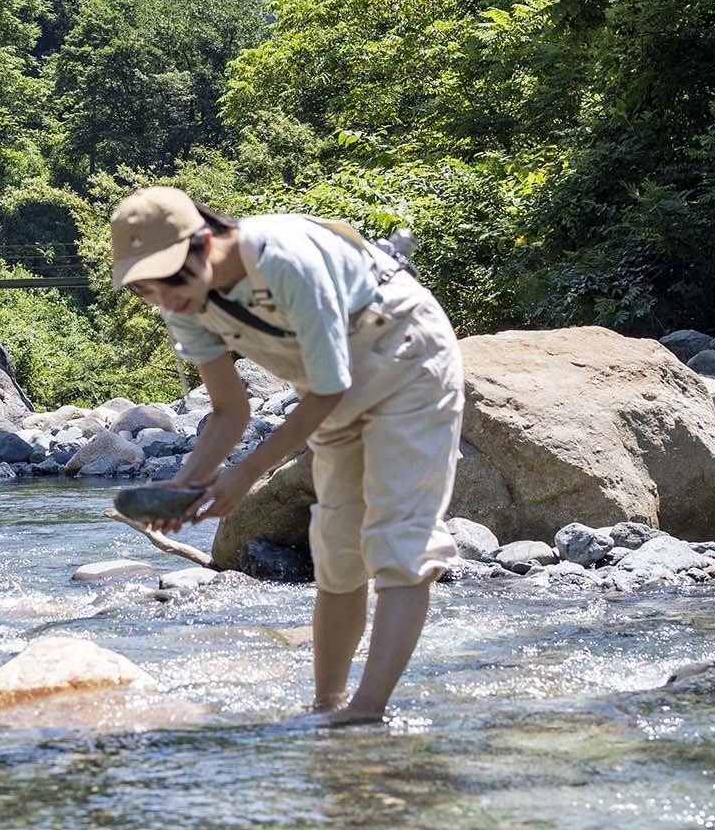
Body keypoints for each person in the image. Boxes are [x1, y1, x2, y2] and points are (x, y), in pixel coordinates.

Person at [110, 185, 464, 725]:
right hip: (332, 390)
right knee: (337, 550)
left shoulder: (285, 259)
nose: (163, 296)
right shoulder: (184, 302)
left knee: (400, 540)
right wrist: (184, 487)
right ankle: (327, 709)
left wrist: (247, 474)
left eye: (169, 275)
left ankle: (366, 714)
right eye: (145, 287)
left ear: (204, 241)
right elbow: (231, 411)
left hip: (405, 364)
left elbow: (327, 387)